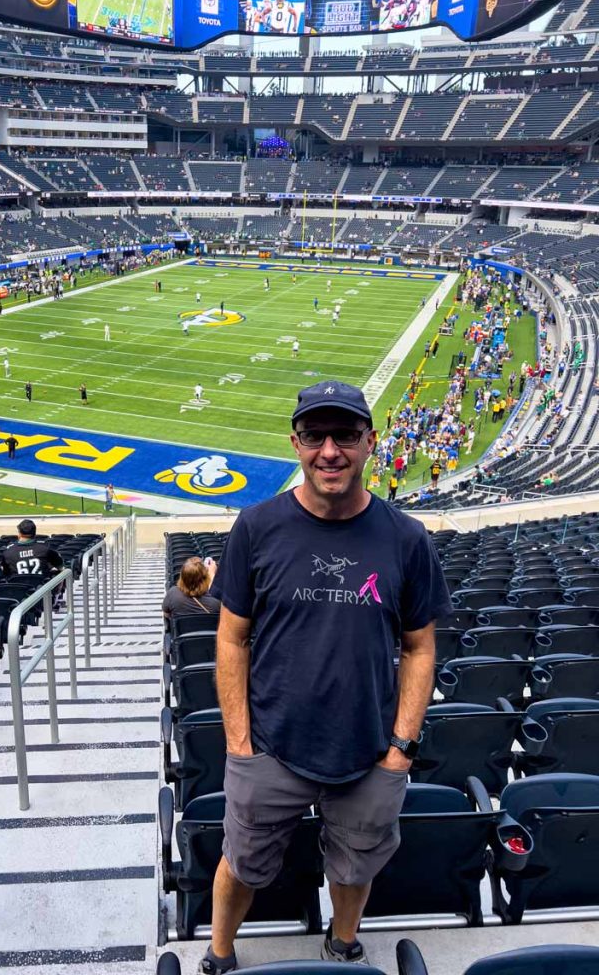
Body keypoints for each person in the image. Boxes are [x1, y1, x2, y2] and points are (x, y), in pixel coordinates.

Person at [200, 379, 450, 974]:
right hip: (271, 748)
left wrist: (400, 750)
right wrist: (239, 743)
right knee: (242, 860)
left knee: (355, 865)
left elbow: (420, 648)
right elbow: (231, 638)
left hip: (368, 751)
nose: (330, 450)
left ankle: (343, 944)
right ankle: (218, 953)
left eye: (344, 435)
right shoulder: (257, 527)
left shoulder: (406, 538)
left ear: (370, 442)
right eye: (316, 435)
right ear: (296, 443)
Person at [162, 557, 220, 622]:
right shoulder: (216, 600)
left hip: (182, 632)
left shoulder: (173, 593)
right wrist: (212, 575)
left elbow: (166, 614)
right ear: (205, 578)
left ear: (182, 576)